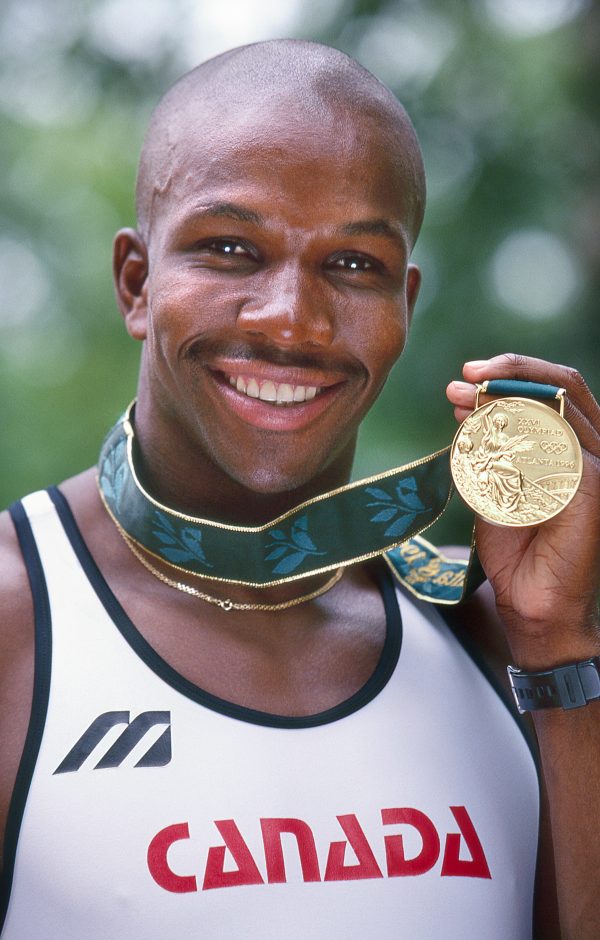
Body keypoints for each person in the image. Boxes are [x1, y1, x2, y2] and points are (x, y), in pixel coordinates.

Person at [0, 39, 598, 939]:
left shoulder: (502, 638)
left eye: (354, 265)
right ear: (137, 282)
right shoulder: (19, 614)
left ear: (407, 299)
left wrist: (559, 648)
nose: (291, 318)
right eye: (231, 249)